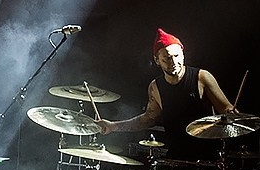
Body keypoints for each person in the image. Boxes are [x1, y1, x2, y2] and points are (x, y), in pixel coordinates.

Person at [96, 28, 236, 161]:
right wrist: (112, 126)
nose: (174, 62)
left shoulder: (201, 77)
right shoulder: (156, 87)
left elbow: (226, 109)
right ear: (157, 60)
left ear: (183, 54)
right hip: (177, 155)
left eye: (177, 56)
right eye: (167, 58)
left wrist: (232, 114)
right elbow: (148, 119)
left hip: (208, 156)